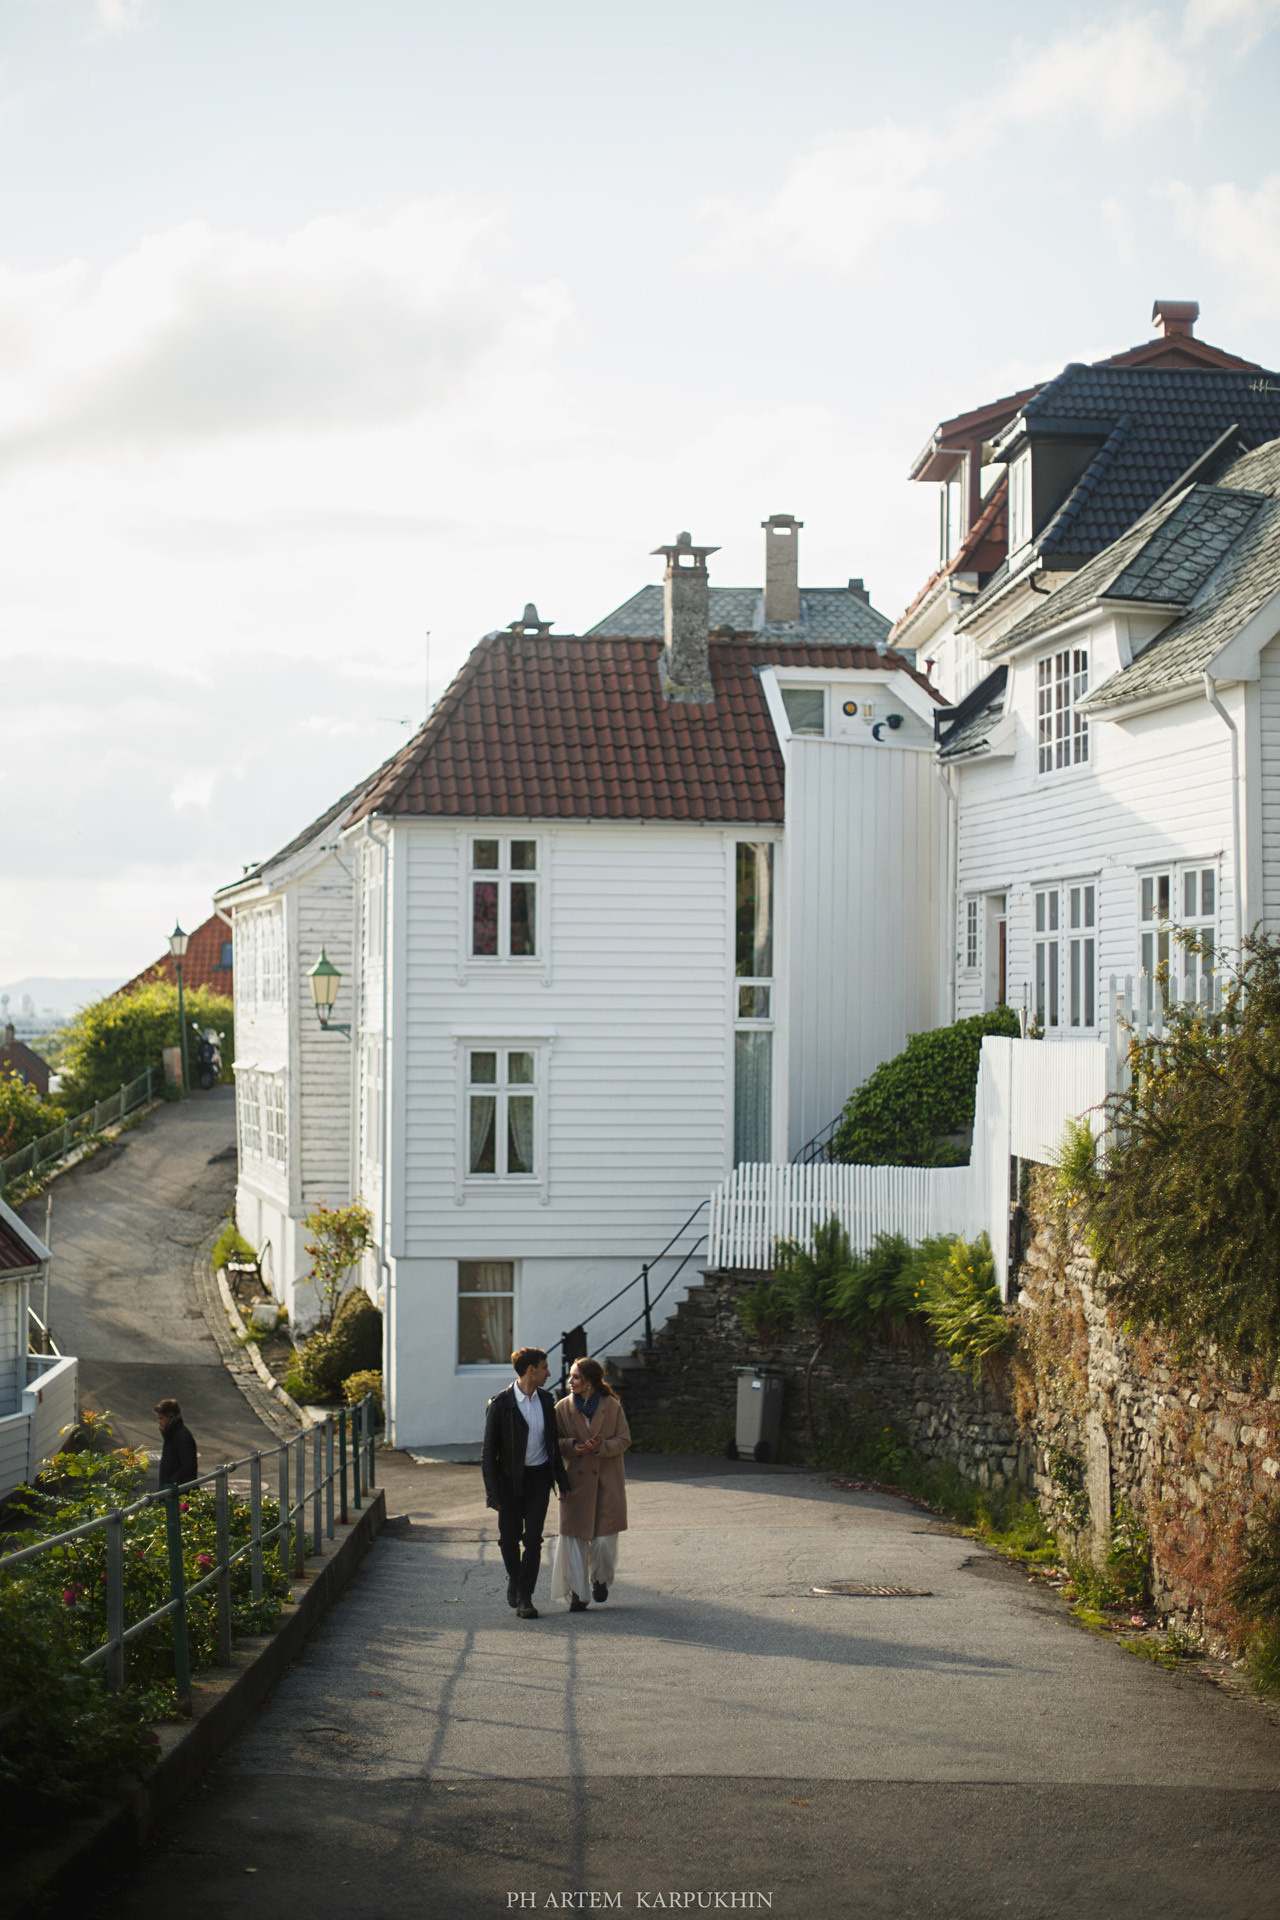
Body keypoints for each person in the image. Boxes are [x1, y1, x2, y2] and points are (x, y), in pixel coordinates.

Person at [481, 1347, 570, 1620]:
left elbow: (551, 1446)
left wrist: (561, 1482)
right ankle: (515, 1578)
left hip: (538, 1479)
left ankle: (526, 1598)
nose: (549, 1373)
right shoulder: (500, 1404)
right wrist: (492, 1493)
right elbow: (488, 1454)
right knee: (508, 1540)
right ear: (531, 1370)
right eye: (544, 1367)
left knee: (533, 1540)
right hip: (509, 1482)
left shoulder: (546, 1401)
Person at [550, 1357, 630, 1612]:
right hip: (575, 1482)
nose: (570, 1381)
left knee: (604, 1542)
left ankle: (600, 1580)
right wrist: (574, 1446)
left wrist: (601, 1448)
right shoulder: (561, 1408)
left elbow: (624, 1439)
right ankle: (577, 1593)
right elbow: (554, 1442)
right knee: (573, 1540)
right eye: (570, 1376)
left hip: (608, 1482)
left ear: (590, 1381)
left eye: (575, 1377)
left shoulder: (611, 1406)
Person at [155, 1397, 198, 1488]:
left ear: (170, 1416)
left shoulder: (181, 1436)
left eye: (161, 1418)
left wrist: (170, 1484)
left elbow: (188, 1467)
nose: (159, 1422)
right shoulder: (172, 1434)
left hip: (178, 1492)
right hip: (173, 1490)